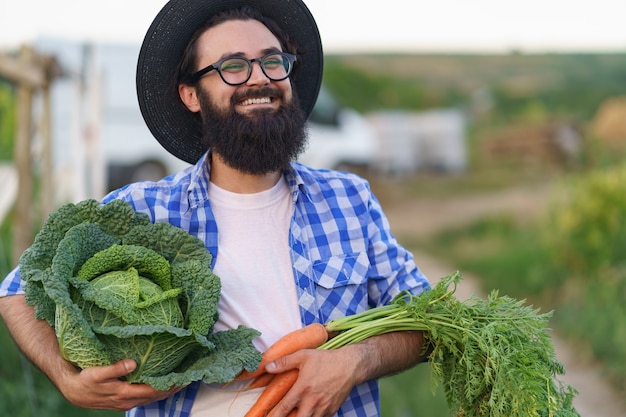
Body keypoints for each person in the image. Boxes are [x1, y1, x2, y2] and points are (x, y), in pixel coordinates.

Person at [0, 0, 431, 416]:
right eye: (232, 66)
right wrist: (65, 377)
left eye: (272, 61)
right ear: (191, 94)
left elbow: (426, 320)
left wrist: (354, 361)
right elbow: (14, 292)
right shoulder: (139, 211)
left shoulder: (349, 199)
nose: (259, 79)